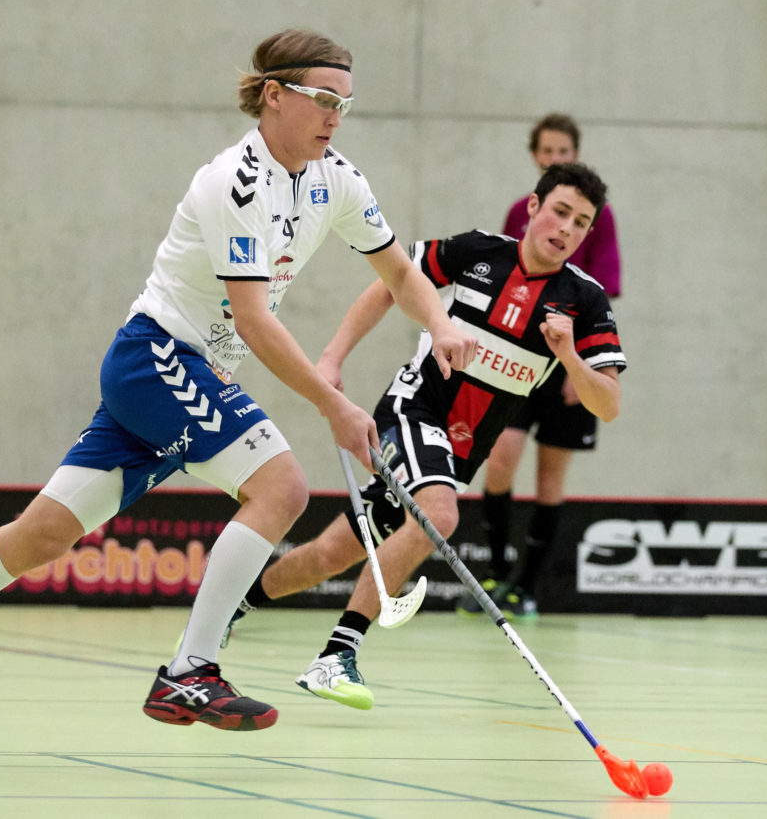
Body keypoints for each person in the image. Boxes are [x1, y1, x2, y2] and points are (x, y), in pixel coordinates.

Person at [0, 28, 477, 746]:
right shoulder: (233, 183)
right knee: (283, 487)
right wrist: (334, 405)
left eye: (345, 104)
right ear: (274, 95)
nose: (335, 117)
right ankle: (191, 669)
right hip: (158, 357)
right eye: (324, 99)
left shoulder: (338, 179)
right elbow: (255, 320)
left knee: (41, 535)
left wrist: (440, 323)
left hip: (188, 373)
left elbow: (399, 270)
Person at [228, 162, 625, 709]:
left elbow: (608, 404)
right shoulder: (479, 252)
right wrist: (333, 357)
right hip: (412, 410)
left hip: (461, 453)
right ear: (533, 207)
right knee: (439, 516)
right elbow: (392, 284)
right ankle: (337, 655)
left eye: (581, 223)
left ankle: (229, 608)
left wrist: (570, 357)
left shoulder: (585, 301)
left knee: (331, 552)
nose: (567, 229)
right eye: (560, 211)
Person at [461, 113, 623, 619]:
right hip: (521, 363)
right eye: (547, 151)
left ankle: (526, 588)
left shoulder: (598, 219)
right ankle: (493, 574)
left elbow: (601, 292)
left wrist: (579, 369)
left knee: (550, 479)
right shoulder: (520, 212)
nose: (555, 158)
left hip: (570, 365)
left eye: (563, 151)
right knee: (500, 461)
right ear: (536, 157)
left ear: (575, 154)